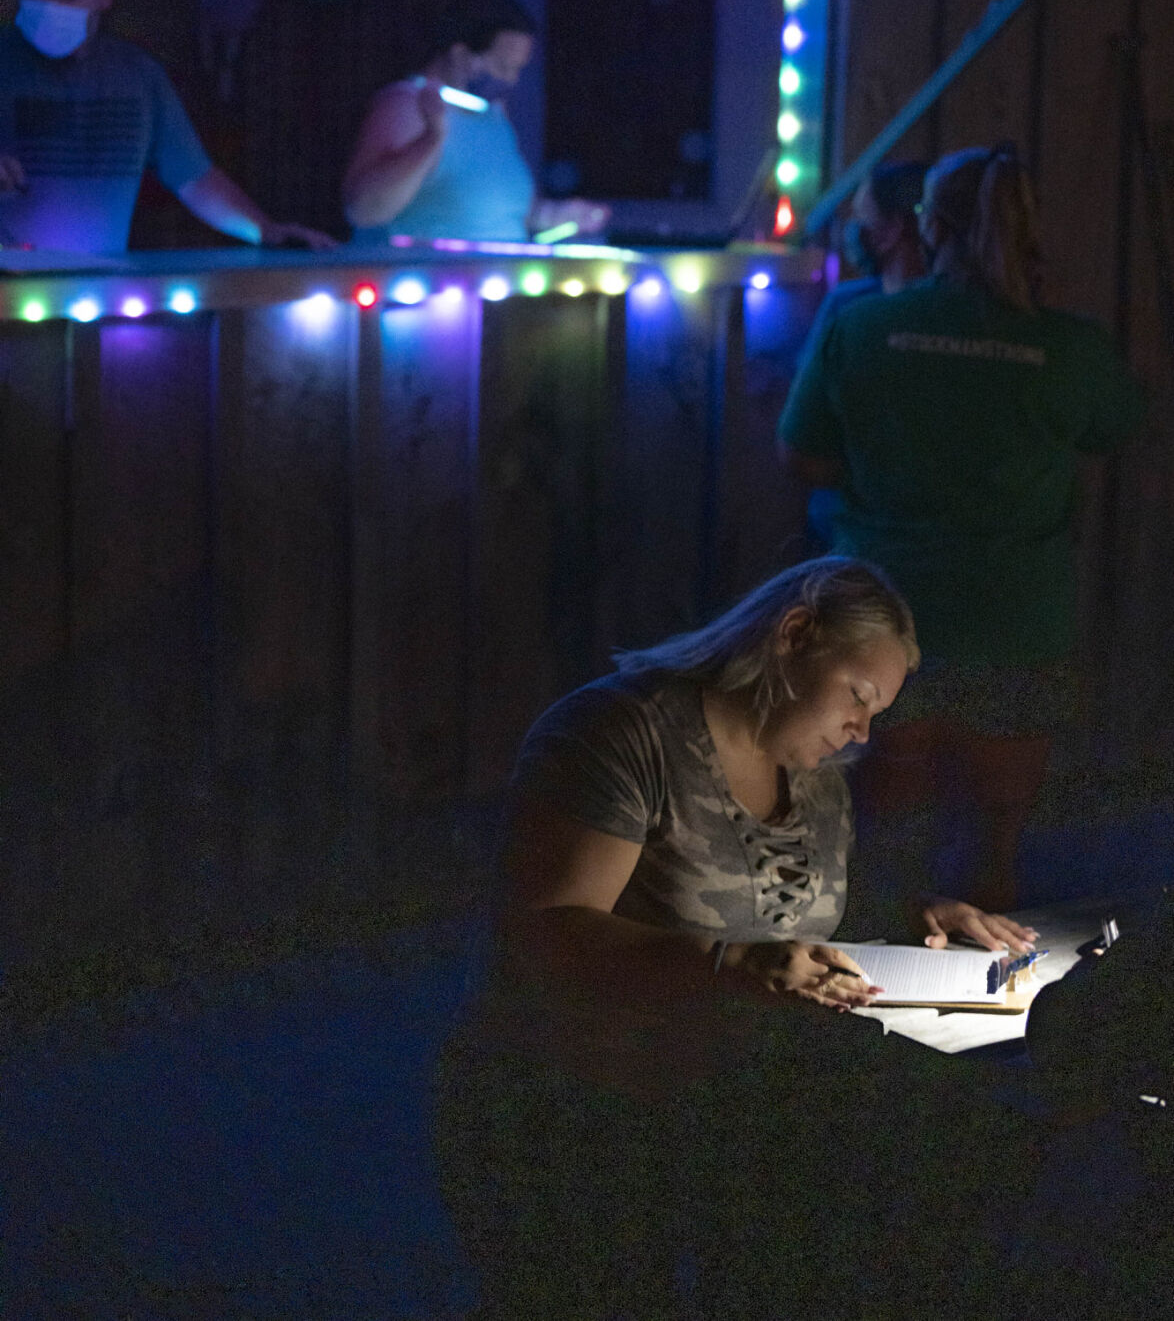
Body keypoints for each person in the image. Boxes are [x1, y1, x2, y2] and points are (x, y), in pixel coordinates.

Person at [434, 556, 1037, 1319]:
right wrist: (728, 963)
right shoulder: (621, 733)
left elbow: (802, 911)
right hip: (571, 1102)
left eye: (878, 713)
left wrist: (915, 914)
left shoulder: (813, 770)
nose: (863, 729)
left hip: (728, 1103)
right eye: (858, 695)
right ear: (793, 636)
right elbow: (546, 931)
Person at [778, 147, 1145, 909]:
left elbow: (803, 454)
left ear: (929, 225)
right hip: (1015, 618)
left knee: (883, 846)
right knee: (994, 857)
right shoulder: (1072, 347)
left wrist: (889, 479)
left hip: (882, 612)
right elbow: (1115, 431)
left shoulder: (863, 325)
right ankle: (981, 1011)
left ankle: (865, 1005)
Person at [0, 0, 334, 254]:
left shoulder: (139, 78)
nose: (49, 9)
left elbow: (194, 178)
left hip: (97, 294)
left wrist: (265, 230)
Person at [343, 0, 608, 244]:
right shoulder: (406, 104)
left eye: (518, 69)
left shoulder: (492, 115)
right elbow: (363, 212)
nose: (511, 80)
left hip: (501, 282)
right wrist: (431, 139)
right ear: (460, 54)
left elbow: (493, 212)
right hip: (433, 282)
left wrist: (555, 216)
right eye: (503, 67)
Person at [799, 159, 927, 551]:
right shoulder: (846, 304)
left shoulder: (851, 312)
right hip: (842, 522)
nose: (853, 231)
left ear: (894, 229)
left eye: (862, 217)